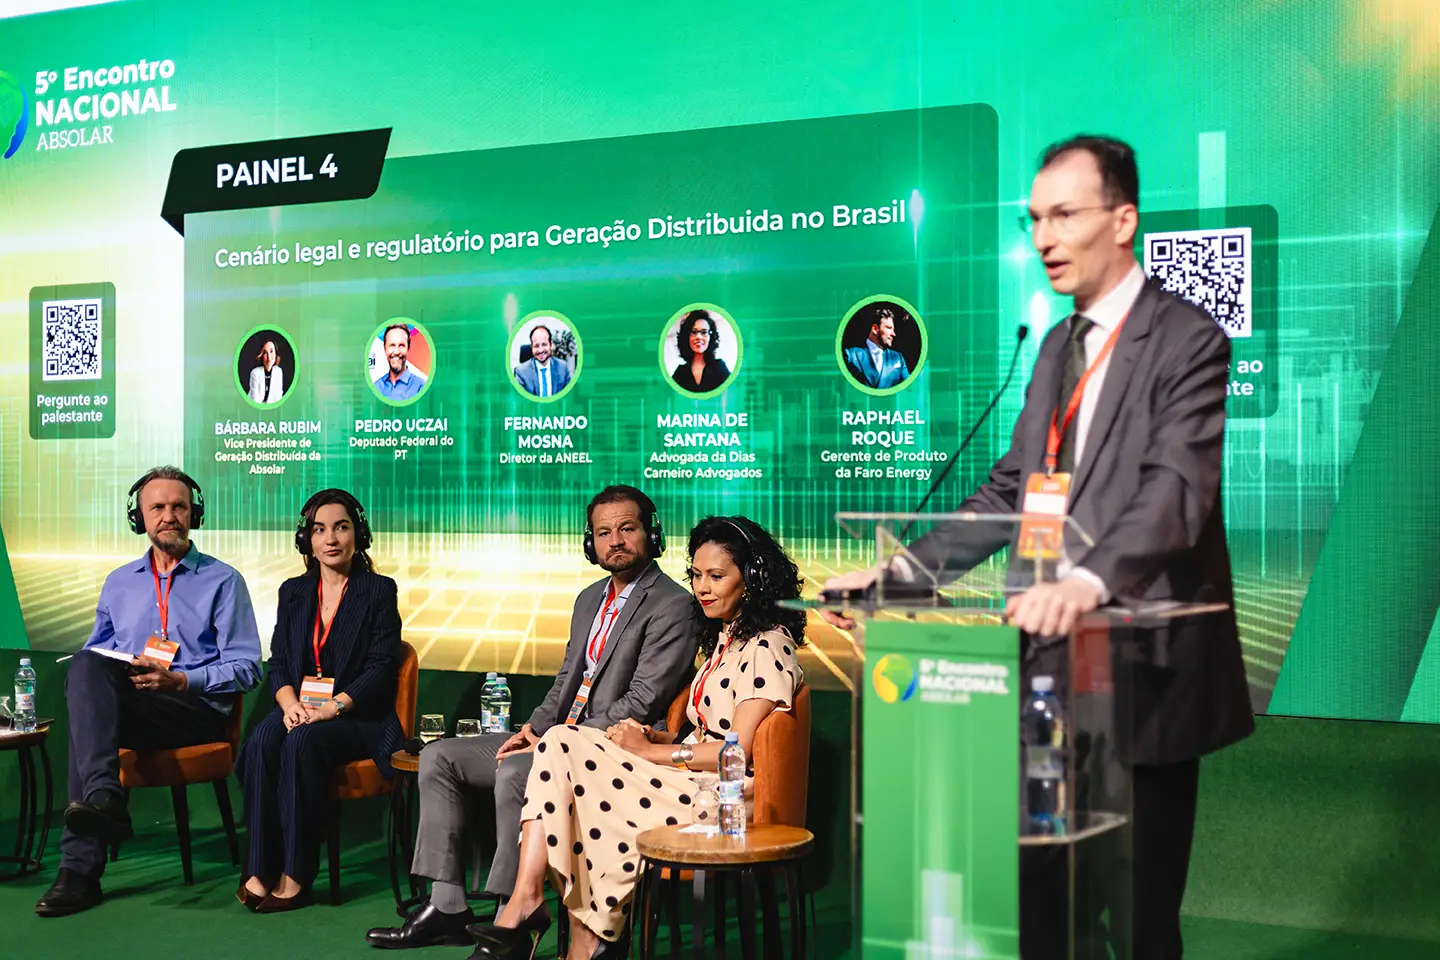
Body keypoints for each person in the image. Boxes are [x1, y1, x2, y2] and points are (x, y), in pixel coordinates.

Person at [822, 135, 1254, 959]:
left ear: (1122, 220)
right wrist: (901, 573)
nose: (1045, 238)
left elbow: (1177, 492)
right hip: (1047, 668)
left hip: (1142, 668)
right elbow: (1013, 490)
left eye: (1064, 215)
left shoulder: (1186, 337)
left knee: (1138, 920)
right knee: (1040, 903)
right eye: (1034, 220)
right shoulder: (1056, 345)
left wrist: (1086, 581)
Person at [365, 485, 699, 950]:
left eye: (627, 528)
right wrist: (534, 728)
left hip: (610, 750)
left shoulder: (673, 604)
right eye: (604, 533)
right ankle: (447, 907)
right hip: (559, 736)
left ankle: (514, 916)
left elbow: (642, 701)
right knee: (441, 758)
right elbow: (566, 680)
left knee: (517, 771)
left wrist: (558, 740)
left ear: (651, 533)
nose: (616, 541)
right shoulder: (589, 598)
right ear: (591, 542)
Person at [469, 515, 807, 960]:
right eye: (697, 575)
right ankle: (542, 908)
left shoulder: (767, 645)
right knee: (561, 742)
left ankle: (554, 918)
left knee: (567, 756)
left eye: (716, 576)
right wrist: (656, 738)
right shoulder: (727, 639)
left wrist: (650, 751)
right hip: (690, 779)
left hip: (723, 798)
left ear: (753, 579)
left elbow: (737, 751)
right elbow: (708, 730)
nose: (702, 588)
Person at [35, 467, 262, 917]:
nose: (169, 516)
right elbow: (95, 656)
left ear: (194, 514)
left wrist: (183, 680)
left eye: (179, 506)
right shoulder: (119, 582)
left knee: (90, 725)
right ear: (139, 517)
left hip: (192, 710)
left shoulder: (223, 580)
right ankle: (104, 801)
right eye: (157, 507)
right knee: (85, 668)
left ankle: (79, 868)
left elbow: (248, 667)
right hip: (137, 706)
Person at [235, 489, 403, 912]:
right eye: (319, 529)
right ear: (306, 539)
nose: (331, 539)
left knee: (302, 742)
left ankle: (296, 875)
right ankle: (258, 870)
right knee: (262, 739)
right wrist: (290, 705)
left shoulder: (378, 590)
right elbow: (279, 663)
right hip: (302, 707)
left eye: (341, 527)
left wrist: (331, 707)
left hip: (357, 717)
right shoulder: (293, 592)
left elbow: (382, 667)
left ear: (358, 534)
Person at [843, 305, 912, 389]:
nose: (893, 334)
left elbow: (910, 388)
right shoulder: (851, 355)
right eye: (889, 328)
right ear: (875, 329)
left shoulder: (898, 358)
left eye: (893, 330)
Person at [669, 309, 732, 393]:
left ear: (711, 337)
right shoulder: (680, 373)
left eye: (704, 332)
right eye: (693, 332)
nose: (699, 337)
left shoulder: (720, 368)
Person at [513, 324, 572, 398]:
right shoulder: (520, 372)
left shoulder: (563, 368)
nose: (541, 350)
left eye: (544, 344)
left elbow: (568, 398)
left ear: (550, 344)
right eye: (536, 346)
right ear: (531, 347)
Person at [374, 323, 427, 401]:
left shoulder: (420, 386)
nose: (396, 352)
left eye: (401, 345)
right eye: (392, 345)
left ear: (408, 349)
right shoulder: (377, 386)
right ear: (385, 349)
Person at [247, 338, 285, 404]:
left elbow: (278, 398)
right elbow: (255, 401)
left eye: (271, 351)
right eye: (265, 353)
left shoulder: (279, 372)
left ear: (276, 353)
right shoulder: (255, 373)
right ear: (261, 355)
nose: (269, 357)